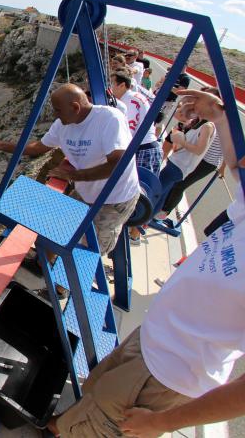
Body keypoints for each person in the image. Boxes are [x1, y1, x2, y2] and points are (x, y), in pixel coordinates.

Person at [47, 88, 245, 438]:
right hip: (151, 336)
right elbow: (237, 165)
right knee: (93, 390)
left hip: (166, 374)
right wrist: (218, 115)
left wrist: (162, 423)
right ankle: (61, 424)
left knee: (98, 424)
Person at [0, 83, 140, 257]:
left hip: (114, 198)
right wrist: (3, 145)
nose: (54, 114)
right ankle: (45, 264)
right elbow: (38, 148)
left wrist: (75, 175)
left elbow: (118, 164)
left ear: (75, 107)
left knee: (88, 250)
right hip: (86, 192)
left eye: (58, 110)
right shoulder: (62, 124)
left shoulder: (109, 119)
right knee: (57, 231)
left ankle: (60, 274)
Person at [109, 71, 161, 244]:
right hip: (147, 147)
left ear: (122, 85)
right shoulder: (135, 96)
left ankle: (134, 234)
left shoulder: (129, 102)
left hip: (144, 150)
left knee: (138, 195)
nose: (110, 87)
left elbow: (127, 133)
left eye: (112, 83)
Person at [154, 101, 215, 219]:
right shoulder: (199, 121)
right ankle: (144, 221)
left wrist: (182, 141)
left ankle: (141, 222)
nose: (197, 103)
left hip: (179, 166)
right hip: (176, 162)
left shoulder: (207, 126)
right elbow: (179, 116)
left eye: (200, 100)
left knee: (156, 191)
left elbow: (199, 150)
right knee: (161, 193)